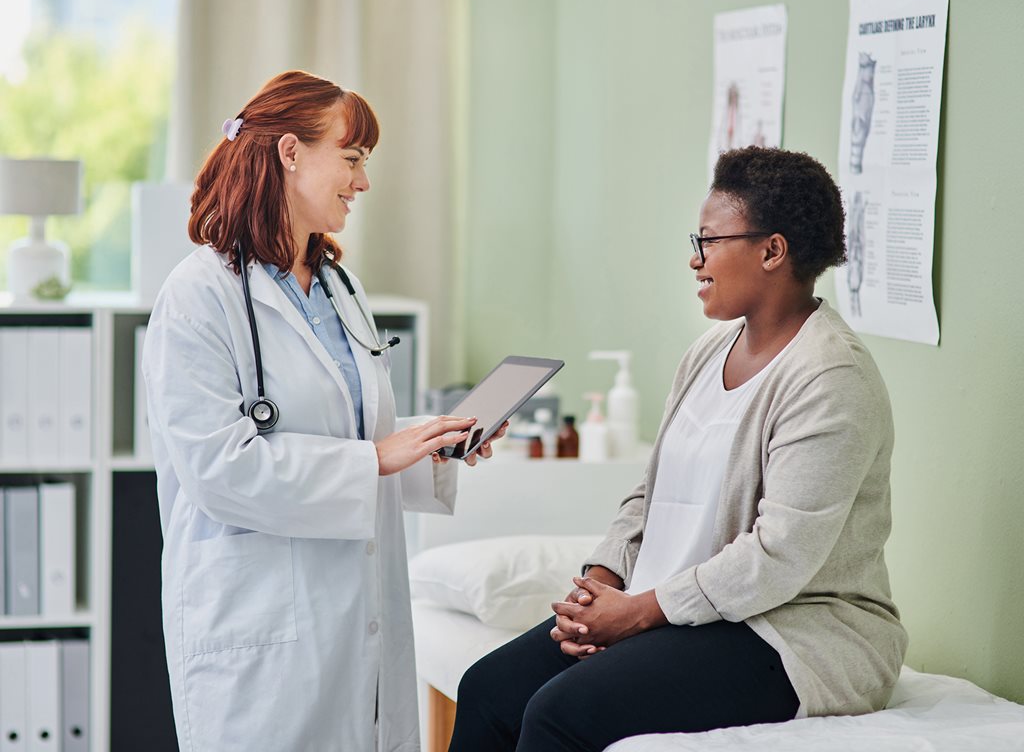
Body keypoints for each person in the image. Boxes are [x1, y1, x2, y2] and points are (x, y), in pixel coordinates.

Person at [449, 147, 908, 751]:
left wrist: (637, 613)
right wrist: (601, 585)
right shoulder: (707, 353)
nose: (694, 260)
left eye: (709, 241)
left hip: (790, 631)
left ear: (772, 251)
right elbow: (650, 491)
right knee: (488, 688)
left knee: (560, 713)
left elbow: (779, 556)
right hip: (679, 608)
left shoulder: (830, 377)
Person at [143, 70, 501, 752]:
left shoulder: (341, 288)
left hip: (355, 613)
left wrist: (434, 445)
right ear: (289, 153)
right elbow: (218, 470)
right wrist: (376, 457)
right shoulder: (199, 297)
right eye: (353, 157)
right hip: (259, 630)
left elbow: (361, 437)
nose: (363, 182)